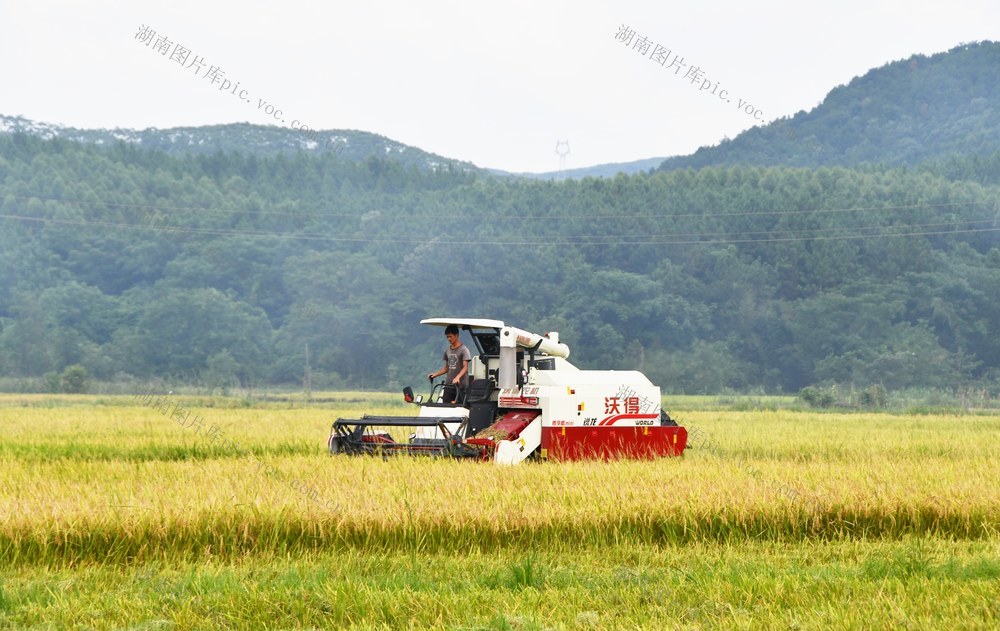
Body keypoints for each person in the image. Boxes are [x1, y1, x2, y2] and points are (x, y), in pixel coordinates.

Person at [427, 324, 471, 403]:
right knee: (445, 406)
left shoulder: (464, 350)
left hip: (461, 386)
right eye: (447, 337)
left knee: (459, 407)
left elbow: (465, 367)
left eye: (450, 336)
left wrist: (458, 377)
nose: (449, 339)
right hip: (449, 385)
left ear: (456, 335)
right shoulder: (447, 350)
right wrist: (435, 375)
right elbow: (446, 368)